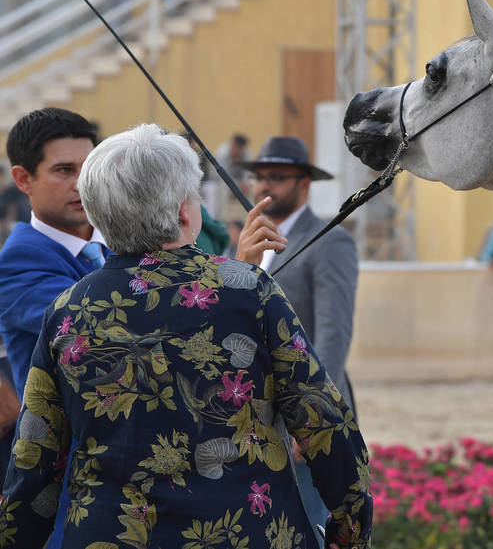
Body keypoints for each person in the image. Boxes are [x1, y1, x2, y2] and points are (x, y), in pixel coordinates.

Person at [0, 124, 371, 548]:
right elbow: (325, 422)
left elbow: (34, 458)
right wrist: (351, 531)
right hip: (252, 531)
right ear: (183, 211)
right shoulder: (250, 290)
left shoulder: (68, 311)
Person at [235, 136, 359, 544]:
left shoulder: (329, 240)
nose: (264, 185)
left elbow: (333, 333)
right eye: (259, 176)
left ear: (304, 183)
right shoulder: (244, 241)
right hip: (252, 419)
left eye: (278, 177)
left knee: (308, 526)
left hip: (305, 419)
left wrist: (313, 419)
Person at [0, 108, 103, 547]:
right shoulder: (19, 262)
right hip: (67, 492)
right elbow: (109, 326)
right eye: (64, 170)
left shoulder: (107, 249)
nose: (82, 183)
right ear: (23, 179)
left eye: (90, 168)